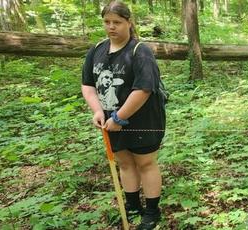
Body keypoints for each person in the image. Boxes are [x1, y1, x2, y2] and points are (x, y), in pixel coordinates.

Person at [81, 1, 165, 229]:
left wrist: (119, 118)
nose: (111, 27)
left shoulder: (140, 51)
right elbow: (88, 85)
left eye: (117, 22)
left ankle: (151, 212)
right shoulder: (96, 50)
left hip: (143, 118)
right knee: (124, 162)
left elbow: (144, 89)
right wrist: (98, 111)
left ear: (129, 22)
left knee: (145, 163)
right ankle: (132, 205)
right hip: (109, 119)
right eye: (107, 22)